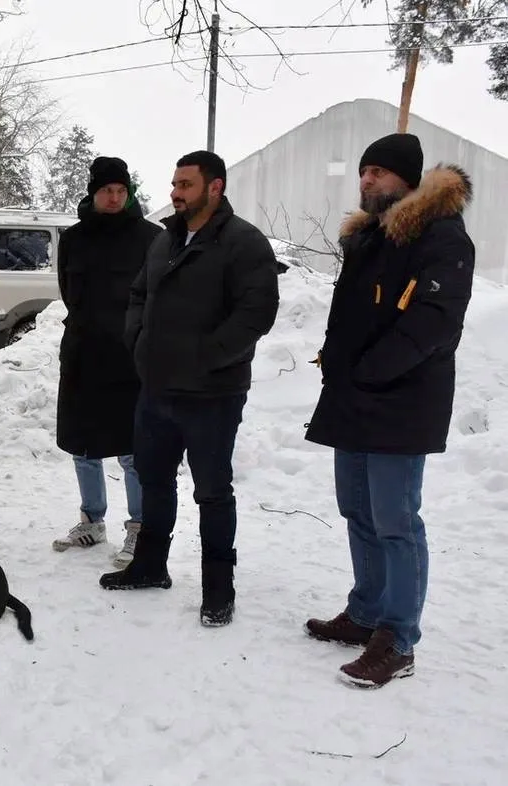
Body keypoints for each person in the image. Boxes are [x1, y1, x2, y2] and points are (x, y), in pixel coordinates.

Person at [304, 134, 475, 688]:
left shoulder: (442, 235)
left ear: (408, 178)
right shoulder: (370, 237)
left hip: (402, 399)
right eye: (364, 171)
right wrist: (338, 365)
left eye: (378, 171)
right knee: (358, 510)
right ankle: (366, 612)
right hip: (353, 395)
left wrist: (374, 370)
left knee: (396, 521)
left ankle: (398, 638)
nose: (367, 179)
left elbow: (435, 320)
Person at [100, 150, 279, 629]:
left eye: (186, 185)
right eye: (175, 184)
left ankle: (219, 588)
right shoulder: (167, 239)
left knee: (213, 492)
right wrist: (138, 340)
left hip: (212, 394)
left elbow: (256, 313)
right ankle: (150, 565)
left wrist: (205, 357)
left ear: (214, 188)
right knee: (154, 480)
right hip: (157, 388)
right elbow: (139, 293)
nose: (175, 193)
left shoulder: (244, 243)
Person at [51, 157, 162, 569]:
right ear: (93, 193)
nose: (114, 198)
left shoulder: (152, 237)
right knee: (82, 443)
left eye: (120, 191)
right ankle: (92, 520)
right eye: (106, 191)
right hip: (83, 352)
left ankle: (139, 526)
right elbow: (68, 291)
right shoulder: (74, 238)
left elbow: (157, 296)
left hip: (130, 357)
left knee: (131, 448)